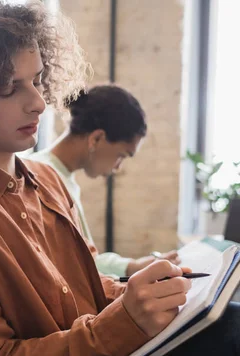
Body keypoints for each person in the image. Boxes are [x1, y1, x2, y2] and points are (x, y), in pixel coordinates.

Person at [0, 2, 240, 356]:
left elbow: (85, 288)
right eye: (12, 88)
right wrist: (121, 323)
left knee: (227, 320)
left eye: (38, 81)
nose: (39, 103)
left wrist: (145, 293)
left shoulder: (44, 179)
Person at [29, 84, 181, 277]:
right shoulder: (43, 177)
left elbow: (83, 259)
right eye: (121, 155)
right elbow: (69, 272)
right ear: (97, 138)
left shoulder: (61, 177)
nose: (118, 167)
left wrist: (132, 266)